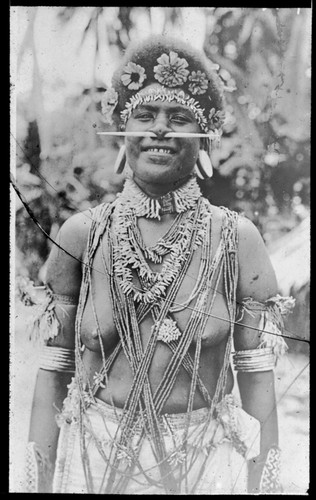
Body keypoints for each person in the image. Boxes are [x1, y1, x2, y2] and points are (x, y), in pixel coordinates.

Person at [21, 35, 295, 494]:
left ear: (204, 135)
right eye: (145, 116)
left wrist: (264, 488)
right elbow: (52, 373)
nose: (160, 130)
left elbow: (257, 382)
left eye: (179, 118)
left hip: (206, 466)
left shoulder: (236, 240)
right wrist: (36, 485)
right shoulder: (81, 235)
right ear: (124, 134)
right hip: (91, 460)